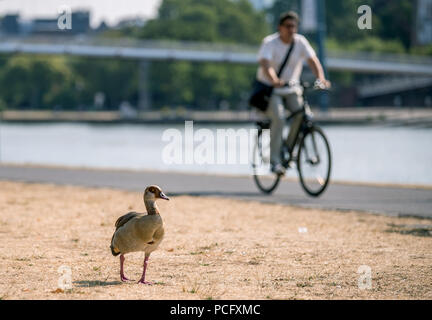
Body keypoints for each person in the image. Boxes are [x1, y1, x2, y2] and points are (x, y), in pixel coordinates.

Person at [256, 11, 330, 175]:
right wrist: (274, 79)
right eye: (288, 26)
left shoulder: (300, 42)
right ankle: (275, 161)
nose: (291, 30)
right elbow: (265, 64)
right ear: (280, 28)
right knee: (279, 118)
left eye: (294, 26)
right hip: (272, 89)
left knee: (302, 115)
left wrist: (321, 78)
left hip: (291, 88)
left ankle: (288, 149)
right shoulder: (270, 43)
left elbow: (313, 61)